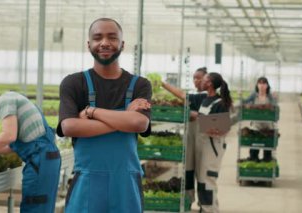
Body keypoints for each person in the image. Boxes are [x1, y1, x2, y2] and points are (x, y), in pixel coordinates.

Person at [56, 18, 152, 213]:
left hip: (126, 185)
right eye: (97, 37)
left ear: (122, 44)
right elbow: (69, 127)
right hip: (87, 184)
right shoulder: (74, 83)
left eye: (112, 37)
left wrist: (92, 112)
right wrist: (125, 116)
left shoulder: (140, 85)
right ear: (89, 44)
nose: (105, 42)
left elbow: (139, 124)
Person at [0, 91, 61, 213]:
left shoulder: (5, 101)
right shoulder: (14, 99)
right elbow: (10, 147)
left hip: (40, 162)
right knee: (41, 206)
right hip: (46, 160)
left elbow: (9, 135)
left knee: (34, 206)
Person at [163, 72, 232, 213]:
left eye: (204, 79)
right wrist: (163, 84)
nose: (200, 81)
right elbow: (182, 95)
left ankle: (209, 209)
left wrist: (198, 117)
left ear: (210, 84)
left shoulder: (220, 103)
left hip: (211, 147)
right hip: (199, 144)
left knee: (206, 179)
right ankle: (194, 204)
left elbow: (223, 129)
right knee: (191, 174)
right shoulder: (203, 98)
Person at [161, 67, 207, 207]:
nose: (195, 80)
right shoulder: (198, 96)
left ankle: (204, 203)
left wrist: (163, 84)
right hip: (191, 138)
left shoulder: (205, 96)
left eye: (199, 78)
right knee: (188, 170)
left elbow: (182, 95)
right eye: (194, 77)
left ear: (207, 80)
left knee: (202, 172)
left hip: (203, 139)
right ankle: (189, 200)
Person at [243, 77, 277, 162]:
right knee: (255, 142)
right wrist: (247, 105)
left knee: (267, 145)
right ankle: (254, 158)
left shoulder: (270, 96)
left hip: (268, 125)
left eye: (264, 83)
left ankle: (266, 159)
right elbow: (245, 102)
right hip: (256, 125)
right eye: (260, 83)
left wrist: (273, 103)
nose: (262, 85)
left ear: (267, 86)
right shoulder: (254, 95)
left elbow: (274, 107)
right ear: (257, 85)